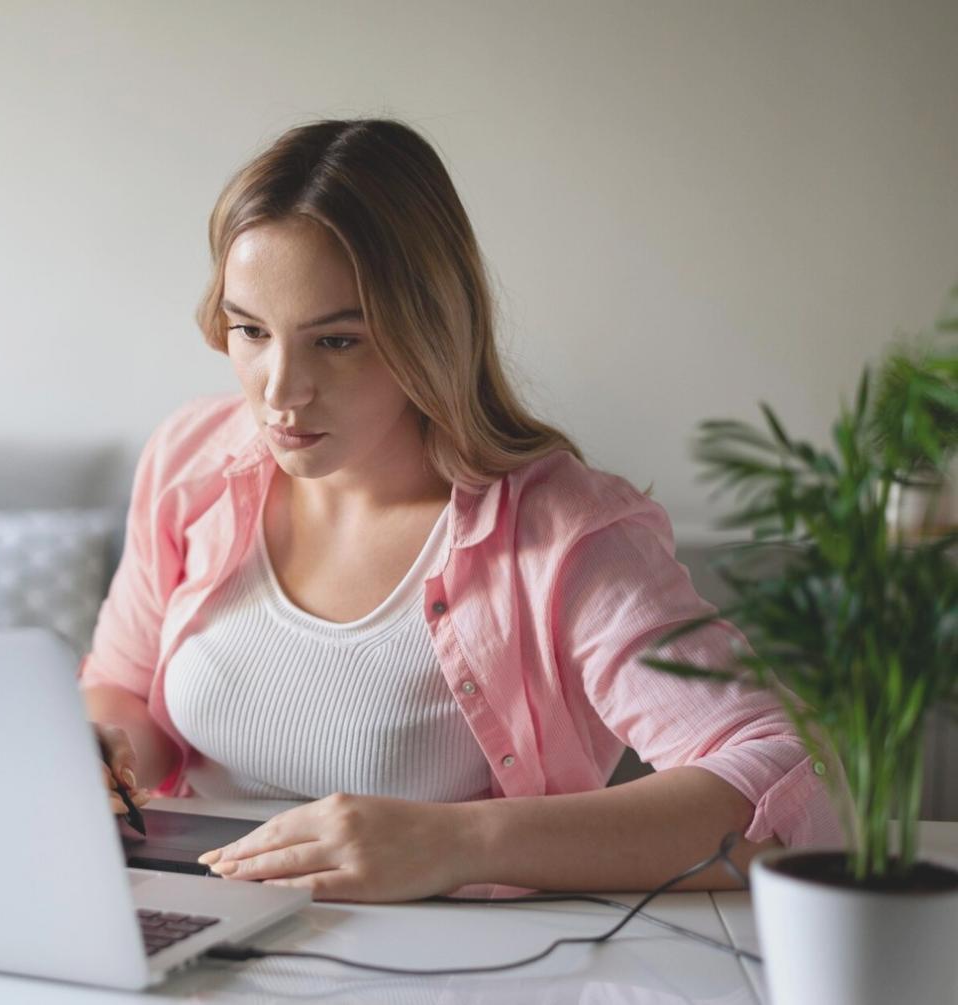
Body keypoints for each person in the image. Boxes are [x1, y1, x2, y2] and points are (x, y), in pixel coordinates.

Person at [78, 118, 841, 903]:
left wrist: (457, 842)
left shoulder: (562, 532)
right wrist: (103, 749)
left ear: (428, 328)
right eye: (249, 330)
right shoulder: (191, 458)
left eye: (336, 341)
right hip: (195, 927)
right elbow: (120, 685)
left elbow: (791, 783)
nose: (279, 390)